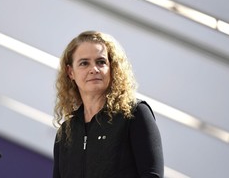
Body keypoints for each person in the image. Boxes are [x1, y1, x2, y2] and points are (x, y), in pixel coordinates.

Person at [53, 31, 164, 178]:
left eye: (101, 62)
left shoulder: (135, 113)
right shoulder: (65, 133)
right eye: (84, 63)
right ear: (70, 72)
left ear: (112, 68)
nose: (94, 69)